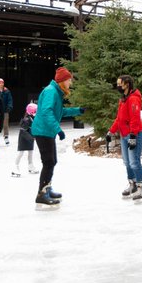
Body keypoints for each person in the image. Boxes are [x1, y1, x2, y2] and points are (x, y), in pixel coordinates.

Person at [31, 66, 83, 209]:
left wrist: (78, 110)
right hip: (43, 131)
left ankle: (47, 188)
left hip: (46, 131)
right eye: (69, 80)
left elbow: (60, 111)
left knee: (52, 161)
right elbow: (47, 112)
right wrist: (58, 130)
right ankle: (41, 194)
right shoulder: (51, 92)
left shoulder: (55, 92)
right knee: (48, 162)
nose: (70, 83)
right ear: (62, 81)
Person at [109, 74, 142, 203]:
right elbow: (119, 119)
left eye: (120, 84)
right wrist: (111, 132)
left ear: (127, 84)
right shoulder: (123, 99)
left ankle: (141, 188)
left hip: (135, 134)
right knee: (127, 162)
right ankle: (132, 185)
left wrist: (132, 136)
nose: (118, 86)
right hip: (124, 135)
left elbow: (135, 119)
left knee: (134, 162)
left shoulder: (133, 99)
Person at [12, 103, 38, 178]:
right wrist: (31, 138)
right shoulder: (26, 119)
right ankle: (15, 167)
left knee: (30, 153)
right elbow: (23, 131)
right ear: (31, 111)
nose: (36, 112)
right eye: (35, 111)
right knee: (21, 153)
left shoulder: (32, 118)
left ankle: (30, 166)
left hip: (30, 138)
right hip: (24, 139)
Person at [0, 78, 13, 147]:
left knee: (5, 124)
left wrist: (9, 107)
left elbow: (10, 100)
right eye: (0, 83)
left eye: (2, 82)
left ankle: (6, 137)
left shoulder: (7, 91)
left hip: (5, 110)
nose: (1, 84)